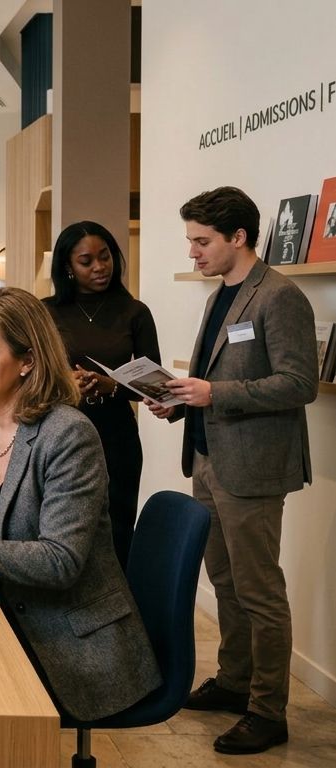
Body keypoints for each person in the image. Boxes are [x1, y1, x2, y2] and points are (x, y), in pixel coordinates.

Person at [0, 287, 160, 723]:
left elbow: (59, 561)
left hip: (70, 645)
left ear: (28, 361)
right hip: (4, 616)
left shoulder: (68, 436)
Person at [146, 186, 317, 755]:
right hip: (208, 459)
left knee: (259, 590)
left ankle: (268, 712)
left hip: (254, 469)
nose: (192, 253)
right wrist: (178, 401)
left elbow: (299, 384)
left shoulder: (279, 296)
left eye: (201, 241)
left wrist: (213, 391)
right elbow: (215, 382)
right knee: (224, 582)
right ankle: (233, 680)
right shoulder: (220, 292)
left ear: (237, 238)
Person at [42, 221, 160, 568]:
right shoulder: (45, 312)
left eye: (105, 257)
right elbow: (26, 372)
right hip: (59, 433)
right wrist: (64, 382)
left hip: (117, 436)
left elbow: (154, 384)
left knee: (119, 527)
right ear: (68, 266)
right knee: (64, 524)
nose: (99, 267)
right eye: (86, 260)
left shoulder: (135, 312)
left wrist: (113, 386)